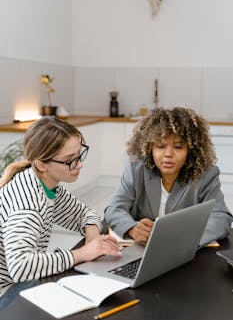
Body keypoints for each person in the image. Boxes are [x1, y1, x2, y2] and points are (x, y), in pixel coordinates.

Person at [0, 117, 122, 303]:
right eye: (69, 160)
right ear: (41, 164)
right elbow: (21, 267)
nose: (79, 164)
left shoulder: (45, 185)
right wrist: (83, 253)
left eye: (79, 155)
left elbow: (84, 213)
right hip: (6, 293)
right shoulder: (28, 206)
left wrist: (93, 238)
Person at [104, 107, 232, 247]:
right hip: (140, 251)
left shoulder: (206, 174)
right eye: (160, 146)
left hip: (183, 254)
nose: (168, 154)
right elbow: (114, 209)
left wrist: (184, 238)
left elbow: (221, 217)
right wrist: (132, 229)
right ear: (149, 147)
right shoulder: (136, 168)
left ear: (191, 150)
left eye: (178, 147)